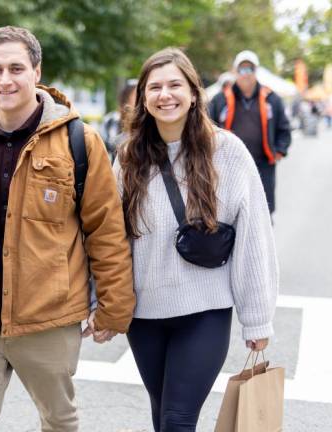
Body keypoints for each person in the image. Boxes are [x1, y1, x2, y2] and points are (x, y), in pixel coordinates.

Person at [0, 26, 135, 432]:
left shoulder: (80, 142)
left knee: (58, 422)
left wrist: (114, 307)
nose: (5, 80)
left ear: (36, 73)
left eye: (16, 68)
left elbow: (106, 231)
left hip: (47, 320)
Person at [113, 48, 278, 432]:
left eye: (175, 85)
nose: (165, 95)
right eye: (155, 87)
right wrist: (100, 302)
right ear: (143, 98)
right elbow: (111, 239)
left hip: (204, 312)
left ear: (193, 93)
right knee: (162, 414)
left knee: (177, 419)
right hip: (144, 315)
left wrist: (257, 319)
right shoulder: (127, 158)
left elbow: (254, 240)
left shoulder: (228, 153)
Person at [208, 50, 291, 214]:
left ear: (256, 71)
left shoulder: (272, 98)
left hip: (263, 162)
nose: (246, 74)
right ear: (235, 72)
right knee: (230, 209)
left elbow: (284, 127)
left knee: (263, 208)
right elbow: (207, 126)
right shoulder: (220, 99)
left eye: (250, 69)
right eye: (242, 69)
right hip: (228, 164)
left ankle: (263, 239)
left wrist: (280, 150)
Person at [100, 79, 137, 158]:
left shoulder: (146, 119)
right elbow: (105, 146)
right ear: (126, 98)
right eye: (137, 95)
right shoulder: (111, 120)